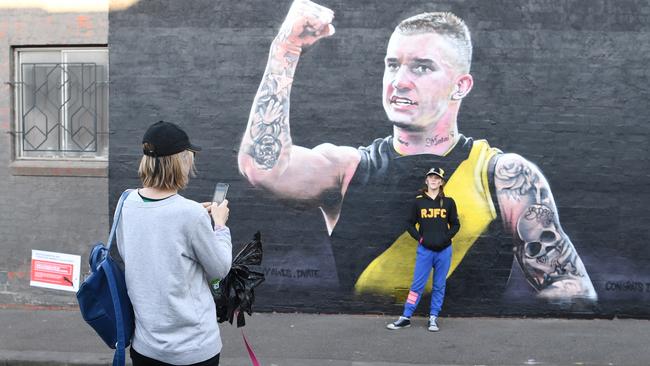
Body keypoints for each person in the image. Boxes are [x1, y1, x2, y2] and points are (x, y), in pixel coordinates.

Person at [238, 0, 597, 306]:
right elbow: (262, 169)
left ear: (461, 85)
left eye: (421, 67)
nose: (399, 80)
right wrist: (286, 49)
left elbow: (569, 285)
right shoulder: (347, 169)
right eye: (393, 65)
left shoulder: (502, 175)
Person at [116, 121, 232, 365]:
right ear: (181, 162)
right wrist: (219, 225)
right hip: (192, 350)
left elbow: (140, 251)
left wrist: (191, 219)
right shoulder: (189, 215)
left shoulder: (125, 202)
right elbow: (220, 268)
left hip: (145, 347)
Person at [386, 167, 459, 331]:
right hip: (425, 250)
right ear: (426, 181)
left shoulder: (449, 202)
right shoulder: (418, 202)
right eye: (431, 177)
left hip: (444, 251)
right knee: (417, 285)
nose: (434, 180)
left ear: (441, 182)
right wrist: (420, 238)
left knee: (439, 285)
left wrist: (446, 238)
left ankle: (433, 317)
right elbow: (409, 224)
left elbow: (456, 224)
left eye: (437, 178)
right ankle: (406, 317)